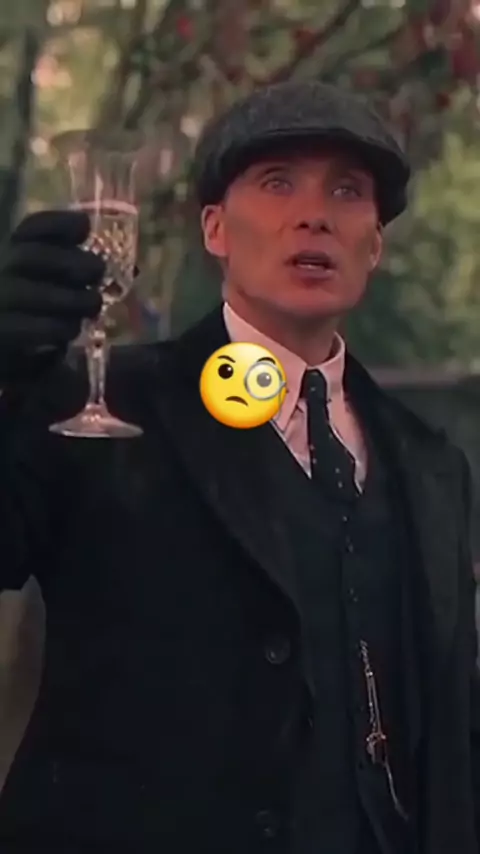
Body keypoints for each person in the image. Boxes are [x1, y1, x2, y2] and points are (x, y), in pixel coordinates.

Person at [0, 80, 478, 854]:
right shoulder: (101, 403)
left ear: (375, 245)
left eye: (346, 191)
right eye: (278, 181)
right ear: (216, 228)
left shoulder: (432, 465)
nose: (314, 213)